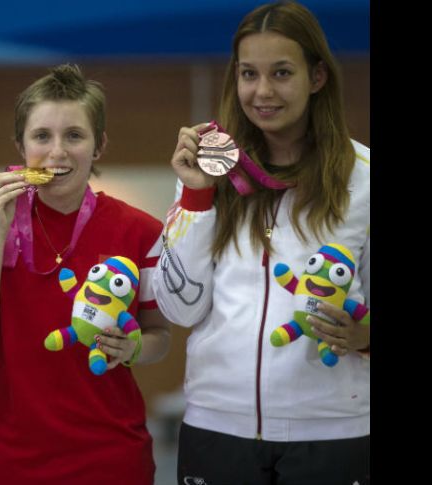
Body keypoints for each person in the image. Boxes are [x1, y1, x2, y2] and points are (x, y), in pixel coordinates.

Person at [153, 2, 370, 483]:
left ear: (317, 77)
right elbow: (179, 309)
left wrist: (365, 337)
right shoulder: (211, 172)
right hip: (216, 427)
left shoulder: (364, 179)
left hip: (332, 432)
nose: (263, 91)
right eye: (249, 73)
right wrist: (196, 196)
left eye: (282, 73)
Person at [0, 64, 172, 484]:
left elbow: (159, 336)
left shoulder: (141, 231)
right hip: (10, 459)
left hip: (113, 458)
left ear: (99, 145)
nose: (57, 152)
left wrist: (133, 348)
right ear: (20, 147)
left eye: (74, 136)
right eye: (41, 136)